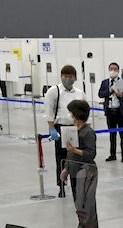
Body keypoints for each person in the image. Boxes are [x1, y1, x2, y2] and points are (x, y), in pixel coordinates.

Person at [58, 100, 99, 228]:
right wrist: (66, 169)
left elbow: (91, 154)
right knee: (79, 206)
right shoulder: (73, 130)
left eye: (72, 113)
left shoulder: (88, 132)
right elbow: (70, 154)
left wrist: (75, 150)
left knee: (88, 206)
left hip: (86, 172)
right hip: (75, 171)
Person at [43, 64, 86, 199]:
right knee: (61, 158)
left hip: (77, 127)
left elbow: (85, 111)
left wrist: (86, 128)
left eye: (70, 76)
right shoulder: (53, 91)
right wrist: (51, 128)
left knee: (76, 157)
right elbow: (49, 111)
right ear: (61, 77)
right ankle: (61, 185)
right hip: (61, 127)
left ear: (75, 78)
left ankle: (76, 183)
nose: (68, 79)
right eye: (65, 76)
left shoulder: (79, 93)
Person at [99, 62, 123, 162]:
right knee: (112, 134)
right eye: (111, 69)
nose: (113, 71)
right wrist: (110, 90)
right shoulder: (105, 82)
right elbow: (100, 94)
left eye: (115, 69)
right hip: (110, 111)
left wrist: (121, 95)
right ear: (108, 69)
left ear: (118, 71)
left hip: (120, 111)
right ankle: (112, 154)